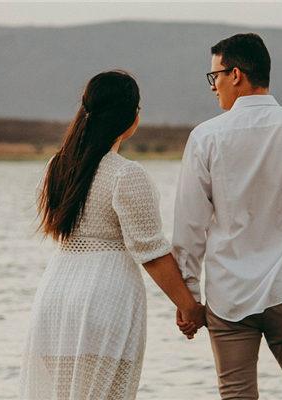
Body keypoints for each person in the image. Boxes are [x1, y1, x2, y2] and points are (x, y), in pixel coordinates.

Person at [172, 33, 282, 399]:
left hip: (228, 296)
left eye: (215, 76)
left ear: (236, 74)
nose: (213, 87)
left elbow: (189, 227)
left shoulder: (206, 137)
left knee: (236, 395)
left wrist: (188, 298)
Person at [19, 70, 205, 400]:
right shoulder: (125, 174)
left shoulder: (56, 167)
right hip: (104, 299)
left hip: (56, 297)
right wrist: (189, 307)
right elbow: (151, 252)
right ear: (130, 117)